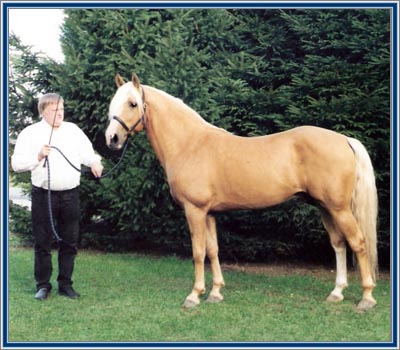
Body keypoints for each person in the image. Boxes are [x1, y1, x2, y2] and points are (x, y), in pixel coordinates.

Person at [11, 93, 103, 300]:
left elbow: (88, 153)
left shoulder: (73, 131)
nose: (60, 114)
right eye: (54, 110)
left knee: (69, 241)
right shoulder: (30, 133)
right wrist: (38, 156)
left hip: (71, 195)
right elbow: (16, 164)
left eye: (62, 109)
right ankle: (43, 285)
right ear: (42, 111)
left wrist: (95, 163)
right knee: (42, 242)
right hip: (44, 195)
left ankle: (65, 284)